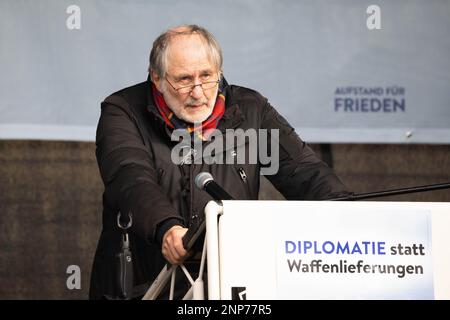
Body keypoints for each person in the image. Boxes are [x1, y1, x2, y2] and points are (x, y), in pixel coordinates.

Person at [89, 24, 351, 299]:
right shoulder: (122, 111)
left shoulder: (252, 109)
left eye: (207, 76)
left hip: (228, 287)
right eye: (184, 80)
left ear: (220, 72)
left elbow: (304, 172)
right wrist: (166, 228)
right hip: (142, 287)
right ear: (157, 78)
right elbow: (130, 178)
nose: (199, 92)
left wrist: (349, 213)